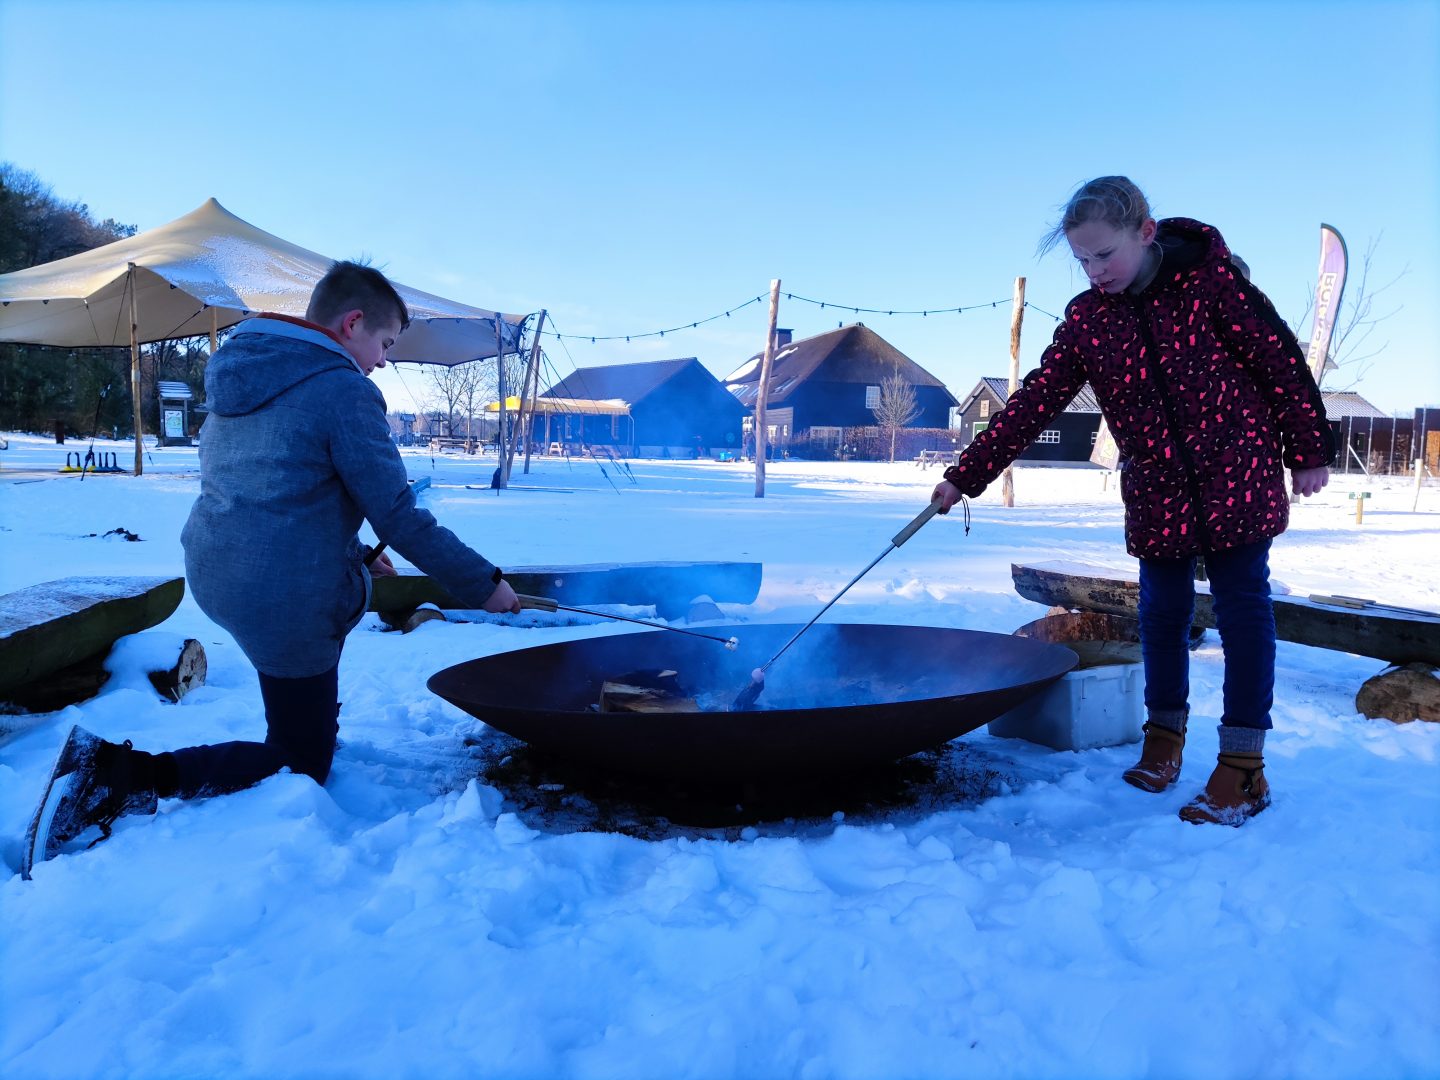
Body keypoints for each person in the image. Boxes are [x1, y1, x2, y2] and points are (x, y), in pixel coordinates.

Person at [23, 261, 521, 877]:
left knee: (301, 702)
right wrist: (485, 584)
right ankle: (120, 778)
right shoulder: (343, 389)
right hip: (280, 591)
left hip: (219, 567)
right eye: (385, 344)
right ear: (352, 322)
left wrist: (355, 553)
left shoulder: (247, 367)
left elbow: (281, 479)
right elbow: (398, 511)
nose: (384, 361)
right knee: (302, 757)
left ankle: (297, 720)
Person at [932, 176, 1334, 826]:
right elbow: (1035, 402)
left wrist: (1308, 449)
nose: (1095, 271)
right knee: (1162, 613)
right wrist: (966, 474)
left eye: (1104, 255)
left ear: (1144, 234)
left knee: (1241, 612)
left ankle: (1242, 769)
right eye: (1083, 260)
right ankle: (1164, 740)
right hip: (1159, 486)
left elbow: (1279, 361)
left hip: (1237, 469)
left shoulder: (1210, 285)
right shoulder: (1091, 320)